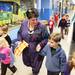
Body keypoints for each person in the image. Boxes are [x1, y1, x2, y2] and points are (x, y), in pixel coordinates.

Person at [17, 8, 49, 75]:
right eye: (33, 20)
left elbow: (46, 38)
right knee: (27, 63)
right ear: (28, 19)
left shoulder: (42, 27)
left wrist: (40, 44)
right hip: (26, 50)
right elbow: (19, 33)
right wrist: (20, 40)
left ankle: (35, 72)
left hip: (37, 52)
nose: (36, 21)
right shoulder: (24, 24)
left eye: (37, 19)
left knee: (36, 68)